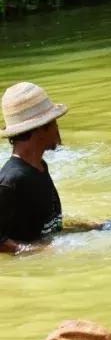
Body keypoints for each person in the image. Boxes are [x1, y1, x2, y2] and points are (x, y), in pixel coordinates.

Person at [1, 82, 67, 255]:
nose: (57, 128)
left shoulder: (39, 167)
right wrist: (36, 252)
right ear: (38, 128)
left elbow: (45, 223)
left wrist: (92, 227)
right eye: (53, 121)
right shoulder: (11, 181)